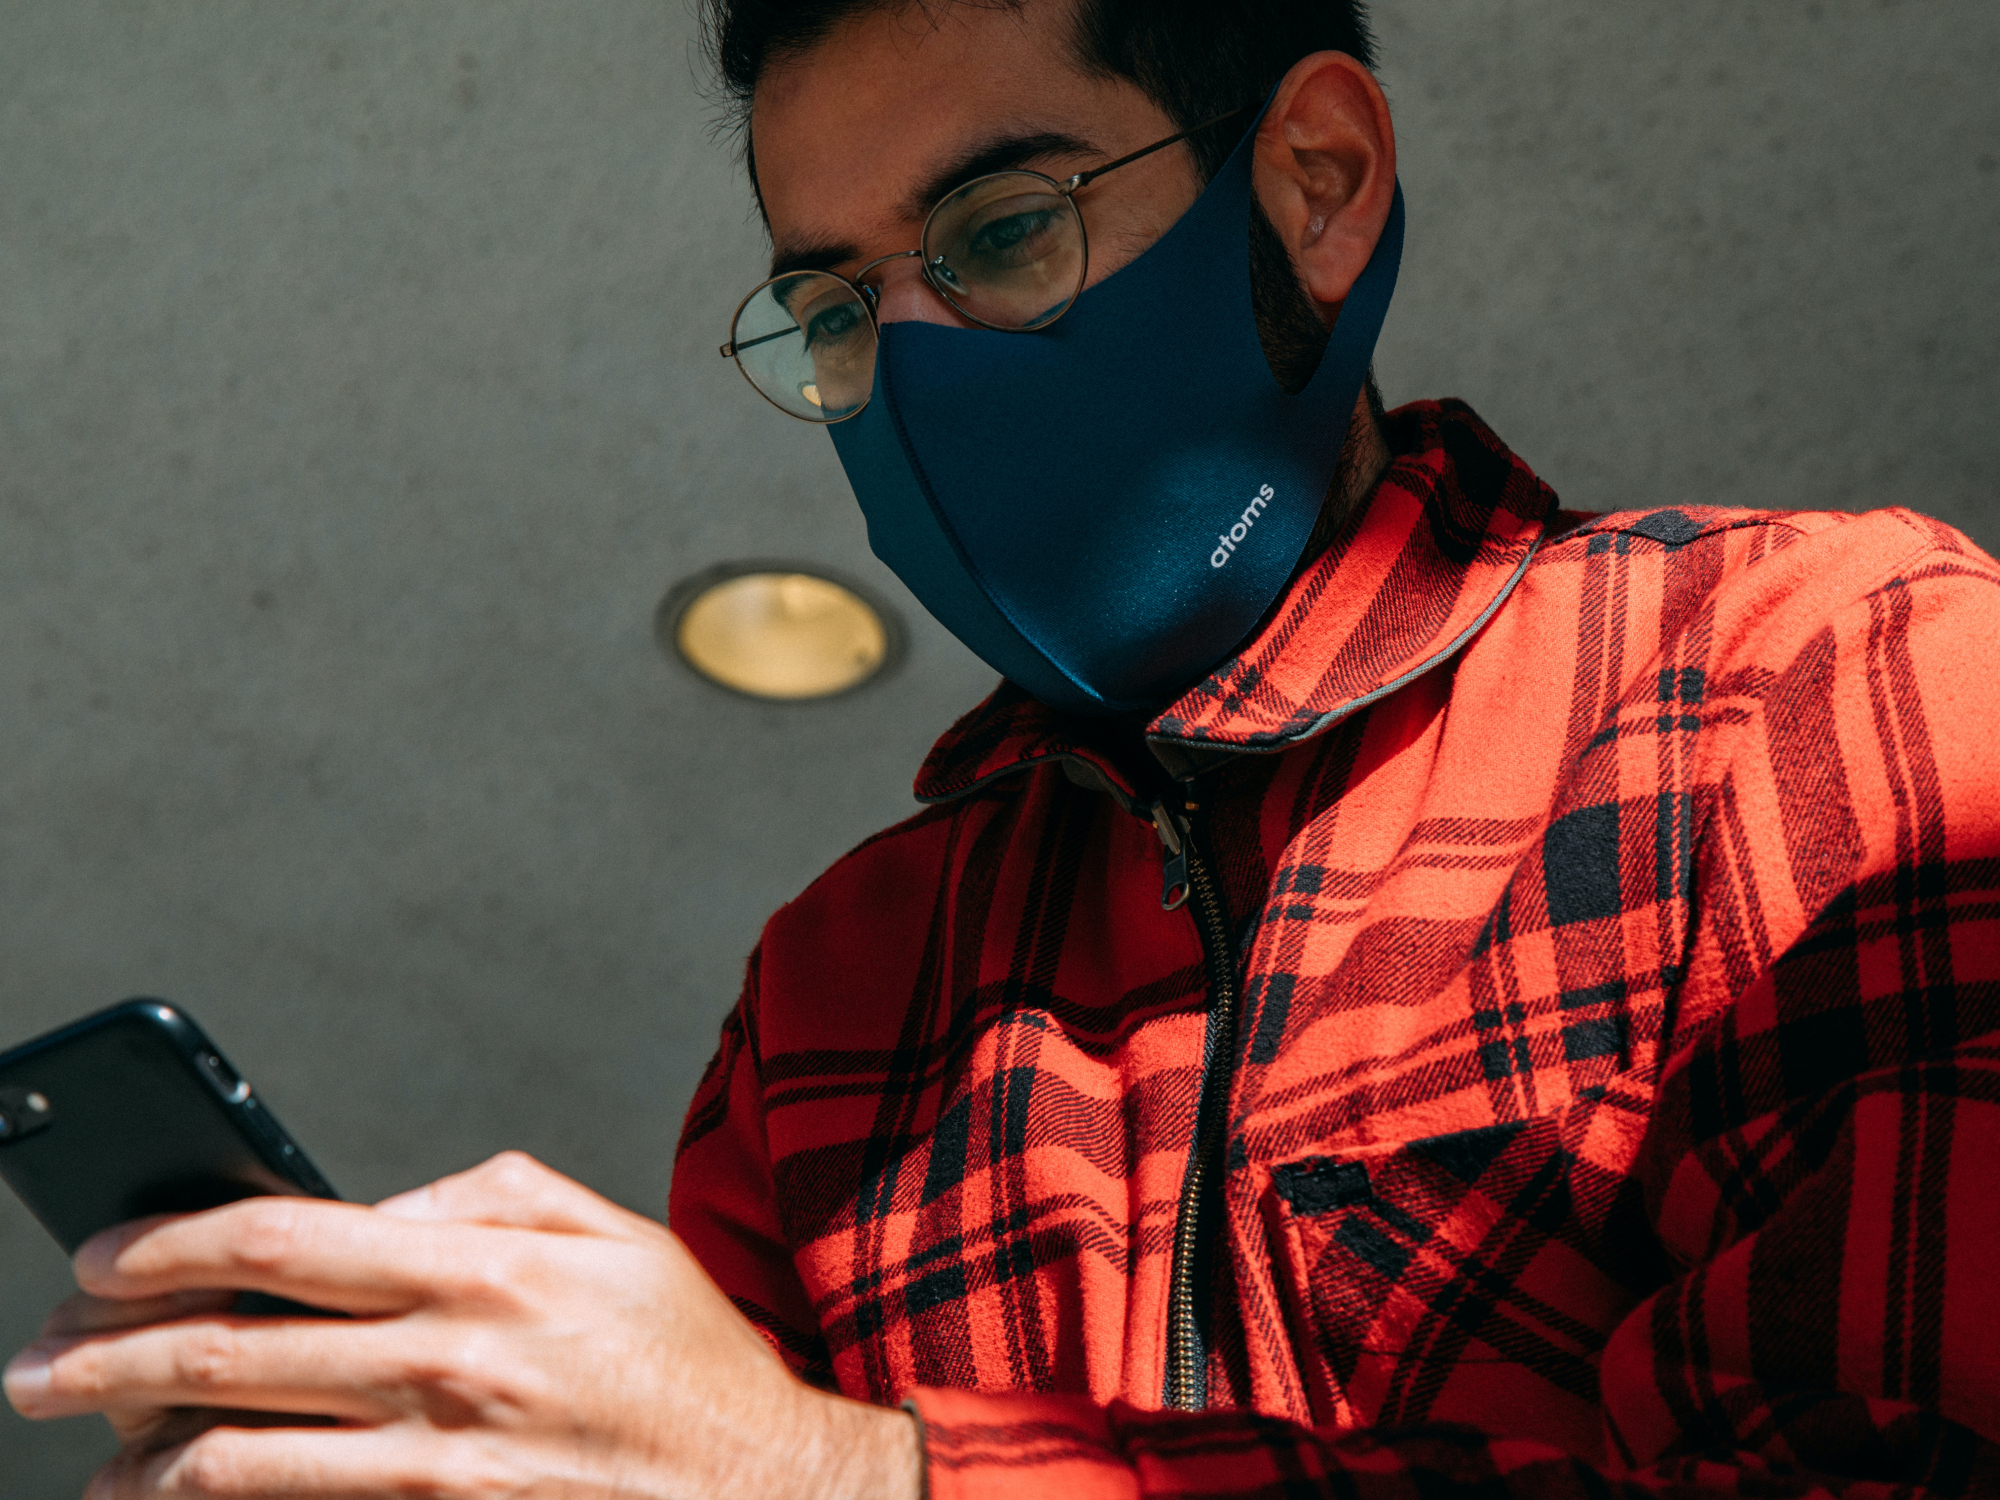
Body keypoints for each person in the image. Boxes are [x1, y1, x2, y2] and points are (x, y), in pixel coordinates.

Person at [9, 2, 2000, 1496]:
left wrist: (843, 1474)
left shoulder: (1816, 682)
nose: (916, 371)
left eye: (998, 232)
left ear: (1313, 182)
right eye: (833, 306)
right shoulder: (831, 998)